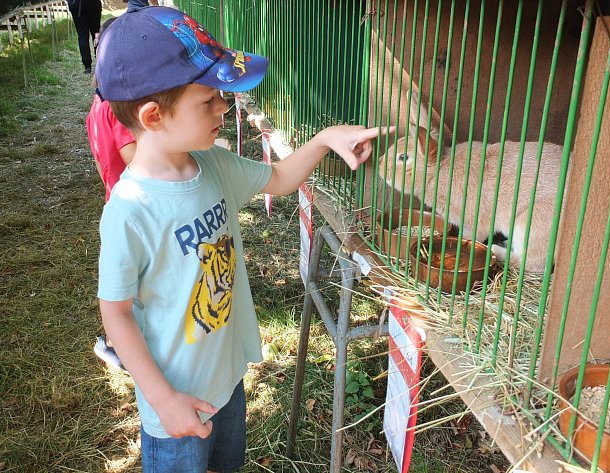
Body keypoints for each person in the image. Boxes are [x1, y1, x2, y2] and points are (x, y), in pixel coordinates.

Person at [95, 7, 393, 471]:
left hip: (226, 377)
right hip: (177, 400)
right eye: (210, 99)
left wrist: (323, 140)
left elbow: (278, 177)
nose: (224, 106)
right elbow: (115, 313)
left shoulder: (212, 164)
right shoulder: (130, 211)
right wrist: (163, 398)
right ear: (153, 115)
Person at [86, 17, 135, 370]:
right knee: (127, 290)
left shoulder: (96, 104)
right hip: (133, 205)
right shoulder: (116, 111)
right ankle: (114, 343)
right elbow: (135, 158)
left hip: (115, 198)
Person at [67, 0, 102, 74]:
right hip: (93, 4)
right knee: (96, 33)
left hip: (77, 4)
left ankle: (87, 66)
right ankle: (100, 61)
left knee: (82, 34)